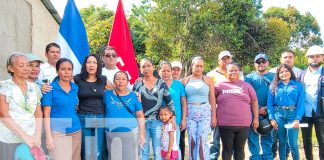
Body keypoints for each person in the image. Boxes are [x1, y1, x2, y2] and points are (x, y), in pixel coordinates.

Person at [0, 52, 43, 159]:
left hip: (32, 139)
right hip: (10, 139)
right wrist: (25, 137)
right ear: (11, 68)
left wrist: (37, 136)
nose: (26, 68)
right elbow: (4, 115)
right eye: (21, 65)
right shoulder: (5, 87)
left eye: (28, 65)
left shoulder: (35, 88)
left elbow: (38, 113)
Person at [133, 58, 176, 160]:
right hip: (142, 122)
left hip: (157, 121)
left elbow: (169, 100)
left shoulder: (161, 83)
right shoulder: (137, 84)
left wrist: (173, 116)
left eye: (148, 66)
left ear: (153, 67)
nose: (146, 68)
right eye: (143, 67)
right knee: (144, 150)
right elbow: (134, 103)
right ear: (140, 69)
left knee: (157, 151)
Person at [215, 62, 259, 160]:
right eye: (230, 70)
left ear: (239, 71)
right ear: (226, 72)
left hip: (243, 124)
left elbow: (254, 101)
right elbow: (211, 101)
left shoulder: (246, 85)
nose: (233, 72)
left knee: (240, 149)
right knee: (227, 149)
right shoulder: (219, 86)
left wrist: (256, 118)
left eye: (235, 70)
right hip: (225, 124)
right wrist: (213, 117)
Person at [74, 54, 112, 160]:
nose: (91, 65)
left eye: (94, 62)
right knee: (86, 151)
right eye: (89, 62)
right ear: (85, 65)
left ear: (98, 65)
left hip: (99, 117)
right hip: (83, 117)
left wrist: (135, 93)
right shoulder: (77, 79)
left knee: (98, 151)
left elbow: (118, 91)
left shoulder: (103, 80)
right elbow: (64, 88)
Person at [41, 58, 82, 160]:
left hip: (76, 130)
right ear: (57, 70)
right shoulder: (50, 88)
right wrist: (48, 136)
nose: (67, 72)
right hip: (58, 132)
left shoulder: (75, 87)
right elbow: (46, 114)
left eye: (69, 69)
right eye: (63, 69)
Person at [207, 50, 243, 160]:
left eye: (228, 58)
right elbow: (208, 94)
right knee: (215, 139)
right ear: (218, 61)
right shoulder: (211, 75)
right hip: (216, 111)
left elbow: (241, 90)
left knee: (230, 141)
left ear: (231, 59)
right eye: (223, 59)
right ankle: (213, 157)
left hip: (232, 114)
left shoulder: (238, 73)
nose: (226, 60)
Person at [104, 71, 145, 160]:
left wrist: (142, 135)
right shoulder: (106, 95)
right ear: (114, 81)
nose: (120, 81)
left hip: (131, 133)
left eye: (123, 79)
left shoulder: (134, 96)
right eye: (118, 79)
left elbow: (140, 116)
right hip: (111, 134)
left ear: (127, 82)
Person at [267, 64, 305, 160]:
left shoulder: (298, 85)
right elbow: (270, 103)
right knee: (282, 142)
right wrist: (271, 118)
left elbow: (301, 104)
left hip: (292, 115)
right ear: (278, 74)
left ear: (290, 72)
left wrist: (297, 119)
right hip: (278, 115)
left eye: (286, 71)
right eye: (281, 72)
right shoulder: (274, 86)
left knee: (293, 143)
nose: (284, 73)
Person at [182, 56, 216, 160]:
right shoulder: (185, 80)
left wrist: (214, 116)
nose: (199, 68)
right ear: (192, 66)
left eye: (201, 66)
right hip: (190, 113)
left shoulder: (208, 80)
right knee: (192, 141)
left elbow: (212, 99)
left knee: (202, 141)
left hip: (205, 112)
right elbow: (182, 100)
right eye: (197, 66)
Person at [245, 53, 274, 160]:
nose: (261, 64)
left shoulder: (274, 76)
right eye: (258, 62)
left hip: (269, 111)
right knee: (253, 137)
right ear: (254, 64)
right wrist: (259, 108)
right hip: (253, 112)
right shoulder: (249, 77)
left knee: (268, 136)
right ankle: (255, 157)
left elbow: (277, 94)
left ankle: (267, 157)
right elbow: (246, 95)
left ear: (268, 63)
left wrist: (266, 108)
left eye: (263, 61)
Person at [299, 45, 324, 160]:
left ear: (322, 58)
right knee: (306, 139)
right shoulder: (301, 74)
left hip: (321, 113)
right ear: (307, 58)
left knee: (322, 139)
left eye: (317, 56)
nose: (314, 59)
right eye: (311, 57)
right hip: (305, 113)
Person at [159, 61, 187, 160]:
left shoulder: (178, 84)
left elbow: (183, 103)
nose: (166, 73)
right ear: (159, 71)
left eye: (168, 71)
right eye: (163, 71)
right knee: (162, 147)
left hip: (176, 121)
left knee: (175, 146)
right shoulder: (157, 85)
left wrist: (183, 120)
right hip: (161, 121)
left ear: (171, 72)